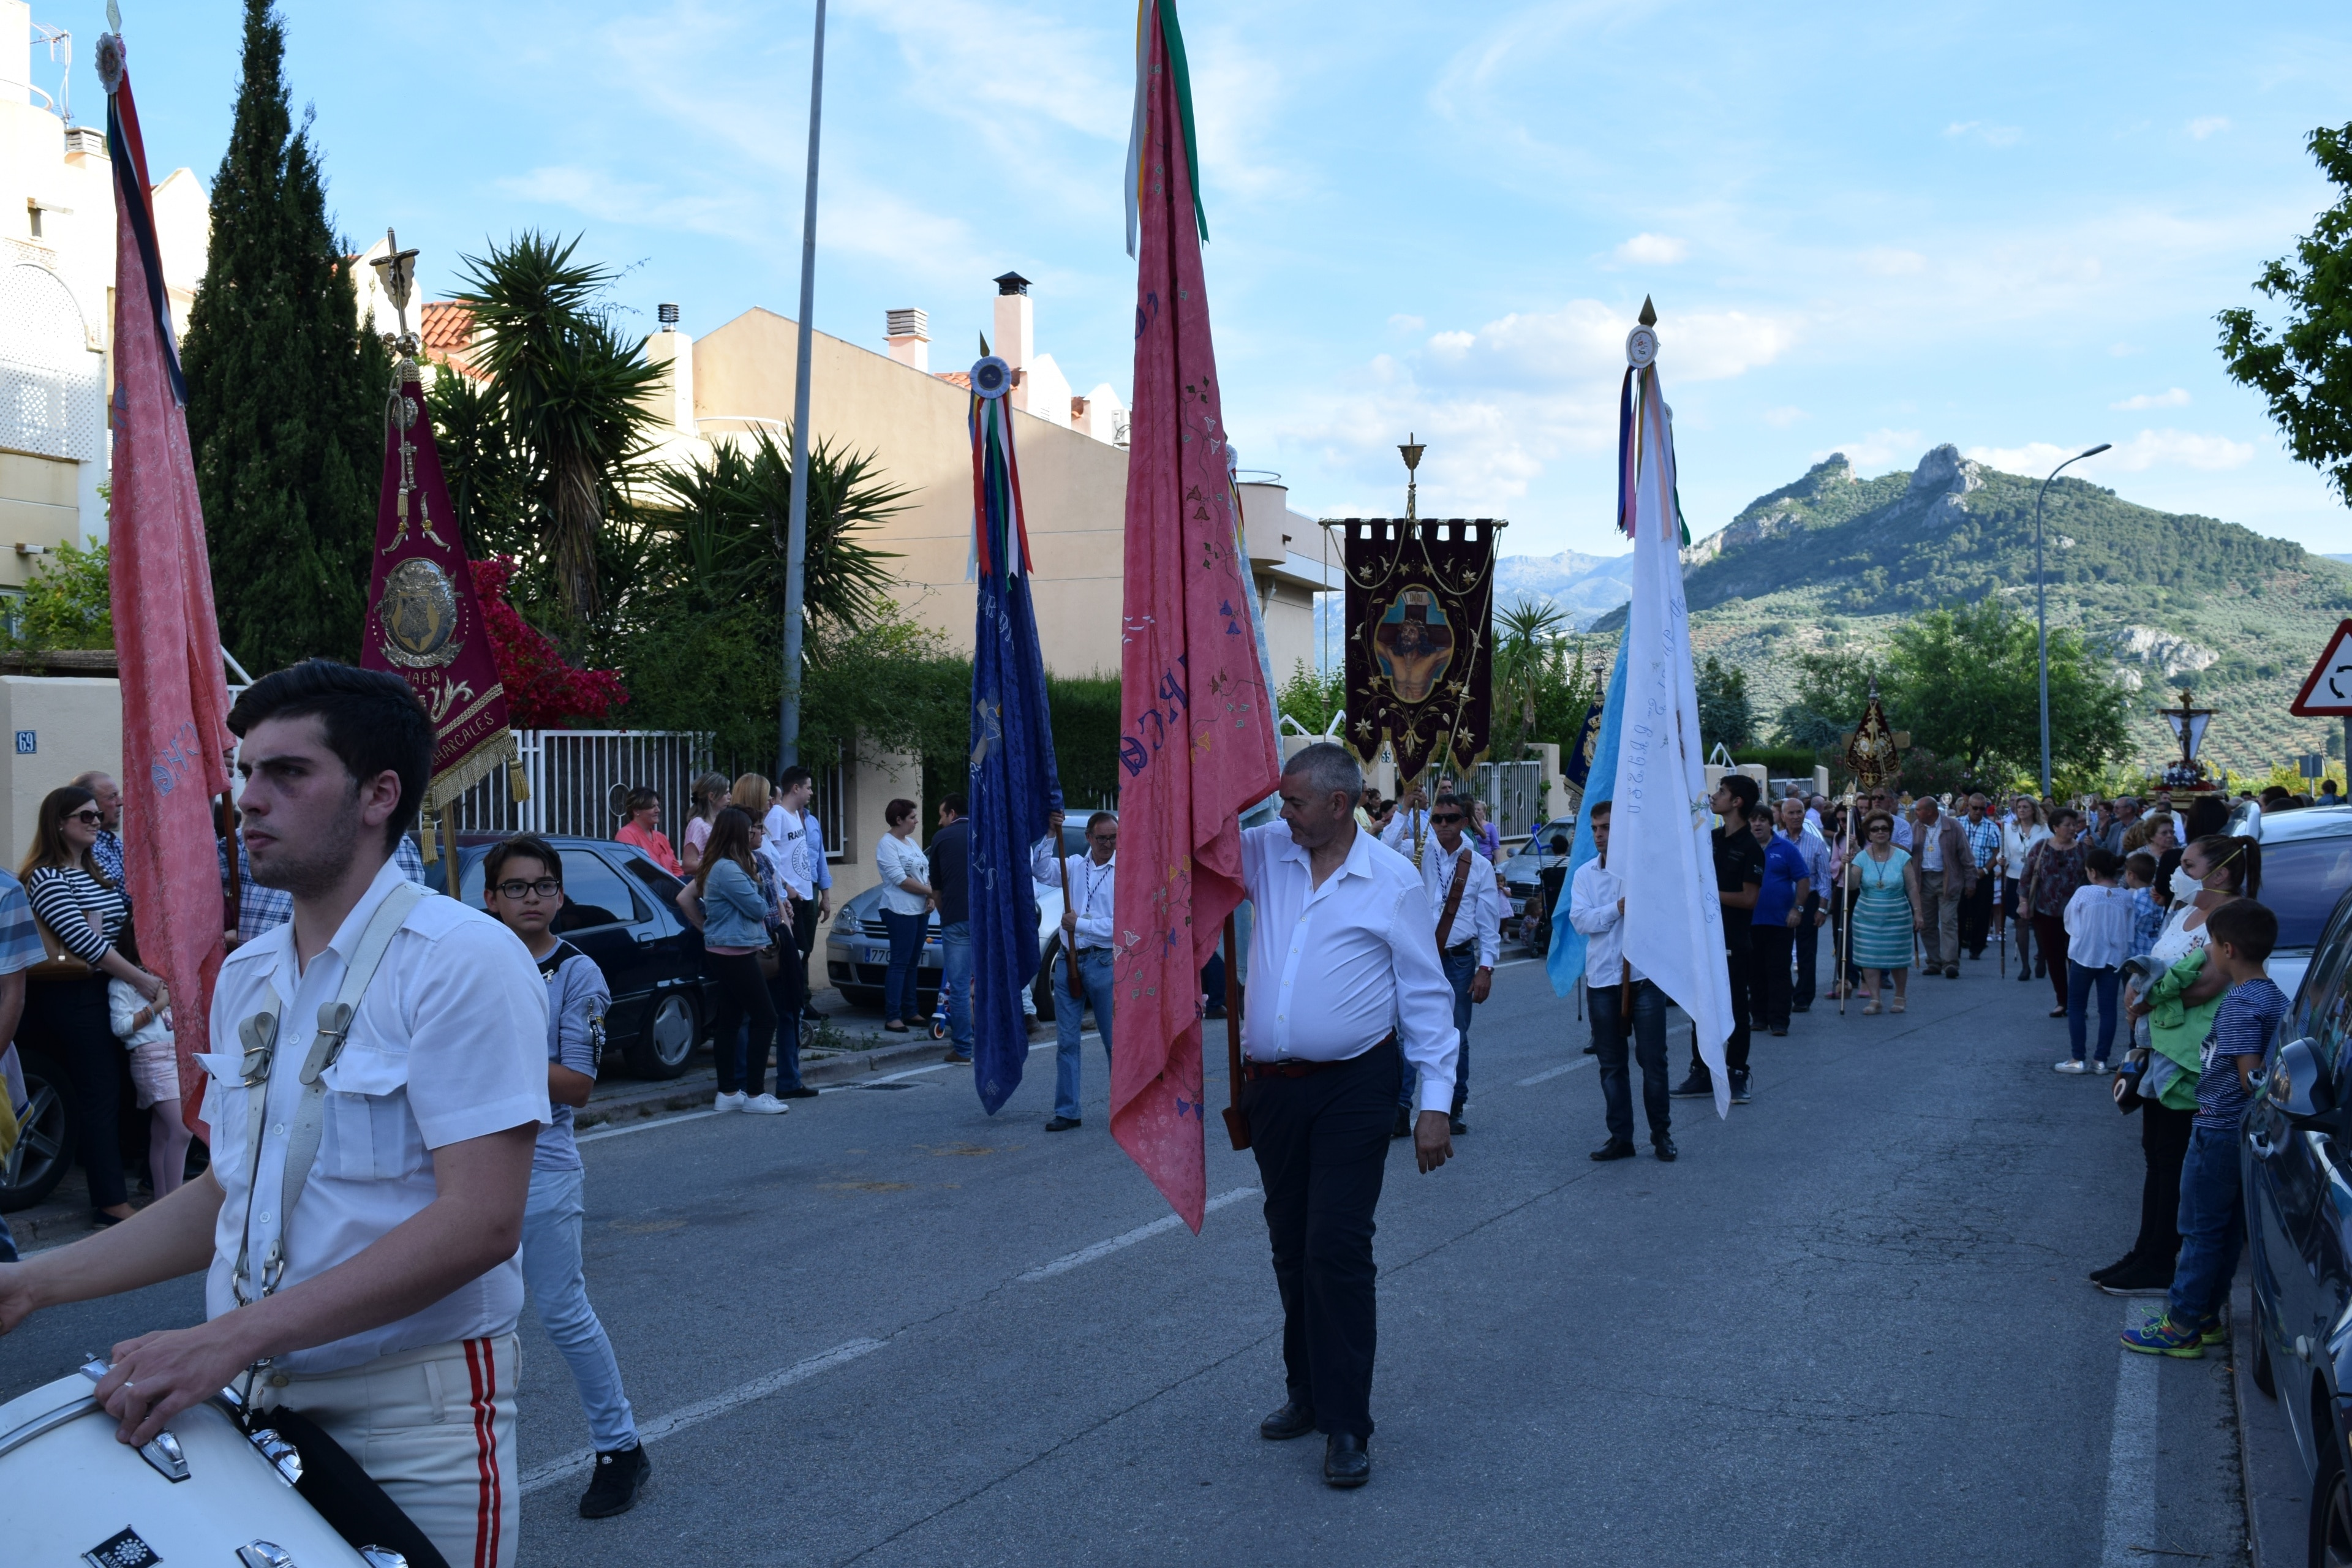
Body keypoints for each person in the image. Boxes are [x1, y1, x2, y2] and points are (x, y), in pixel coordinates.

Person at [0, 660, 551, 1567]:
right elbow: (231, 1192)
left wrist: (223, 1339)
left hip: (414, 1423)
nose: (249, 799)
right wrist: (35, 1282)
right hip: (254, 1404)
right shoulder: (251, 975)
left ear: (380, 794)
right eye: (246, 772)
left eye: (287, 773)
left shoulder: (466, 959)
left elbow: (481, 1222)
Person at [1237, 744, 1455, 1490]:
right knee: (1291, 1246)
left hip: (1356, 1085)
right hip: (1273, 1090)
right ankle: (1306, 1388)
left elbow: (1427, 996)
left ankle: (1348, 1423)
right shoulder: (1267, 852)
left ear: (1340, 804)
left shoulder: (1391, 879)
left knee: (1336, 1246)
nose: (1282, 814)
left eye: (1294, 803)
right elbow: (1193, 845)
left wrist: (1433, 1104)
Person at [480, 834, 652, 1518]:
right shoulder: (470, 962)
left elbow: (577, 1085)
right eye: (516, 887)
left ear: (560, 894)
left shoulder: (578, 974)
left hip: (542, 1165)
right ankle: (464, 1458)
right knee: (463, 1318)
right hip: (464, 1165)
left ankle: (621, 1448)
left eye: (544, 886)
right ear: (489, 897)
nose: (532, 898)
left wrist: (490, 1048)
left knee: (561, 1311)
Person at [2121, 899, 2287, 1357]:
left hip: (2219, 1127)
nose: (2208, 952)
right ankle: (2208, 1314)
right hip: (2244, 1134)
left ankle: (2181, 1323)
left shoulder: (2238, 1003)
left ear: (2227, 949)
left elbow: (2249, 1076)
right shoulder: (2274, 997)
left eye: (2211, 944)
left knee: (2199, 1227)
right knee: (2227, 1228)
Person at [20, 785, 165, 1225]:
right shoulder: (46, 876)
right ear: (58, 823)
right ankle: (108, 1201)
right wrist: (142, 980)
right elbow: (84, 942)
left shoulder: (97, 871)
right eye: (84, 817)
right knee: (98, 1095)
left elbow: (124, 924)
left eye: (96, 817)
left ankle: (121, 1187)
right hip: (71, 994)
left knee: (114, 1090)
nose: (95, 822)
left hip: (107, 990)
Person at [1573, 802, 1674, 1161]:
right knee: (1611, 1064)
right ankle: (1621, 1137)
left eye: (1607, 828)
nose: (1600, 834)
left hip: (1644, 977)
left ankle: (1661, 1133)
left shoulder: (1643, 870)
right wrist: (1616, 909)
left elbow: (1665, 913)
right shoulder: (1585, 874)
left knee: (1653, 1060)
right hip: (1603, 979)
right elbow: (1581, 920)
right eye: (1596, 828)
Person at [678, 807, 789, 1114]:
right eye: (751, 830)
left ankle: (728, 1092)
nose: (757, 833)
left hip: (729, 950)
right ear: (738, 834)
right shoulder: (728, 869)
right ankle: (755, 1094)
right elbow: (756, 908)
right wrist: (757, 878)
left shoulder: (721, 865)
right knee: (766, 1018)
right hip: (734, 952)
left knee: (730, 1021)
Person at [1673, 775, 1763, 1103]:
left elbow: (1748, 899)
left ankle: (1737, 1072)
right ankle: (1702, 1071)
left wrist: (1709, 894)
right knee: (1701, 1009)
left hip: (1734, 942)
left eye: (1722, 792)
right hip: (1704, 939)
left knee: (1736, 1009)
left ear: (1737, 801)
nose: (1715, 796)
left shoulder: (1751, 847)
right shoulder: (1709, 838)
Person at [1033, 809, 1118, 1131]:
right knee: (1067, 1041)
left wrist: (1079, 924)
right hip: (1070, 963)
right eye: (1102, 838)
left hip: (1103, 962)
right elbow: (1040, 870)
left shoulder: (1123, 871)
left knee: (1113, 1042)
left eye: (1113, 838)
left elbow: (1122, 925)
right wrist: (1051, 833)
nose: (1108, 844)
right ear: (1089, 838)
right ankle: (1068, 1110)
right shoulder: (1074, 866)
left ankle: (1121, 1108)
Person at [1417, 793, 1497, 1136]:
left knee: (1455, 1036)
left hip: (1459, 960)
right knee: (1408, 1033)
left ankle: (1454, 1105)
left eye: (1451, 819)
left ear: (1464, 822)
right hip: (1420, 957)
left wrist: (1486, 968)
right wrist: (1408, 809)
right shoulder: (1419, 852)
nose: (1443, 825)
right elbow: (1386, 848)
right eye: (1437, 819)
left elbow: (1489, 924)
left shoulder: (1479, 866)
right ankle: (1402, 1106)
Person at [108, 968, 189, 1204]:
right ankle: (173, 1204)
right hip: (151, 1059)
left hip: (176, 1056)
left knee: (162, 1133)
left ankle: (162, 1202)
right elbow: (120, 1026)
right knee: (182, 1130)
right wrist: (158, 1005)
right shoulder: (122, 983)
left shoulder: (164, 977)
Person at [2057, 848, 2133, 1074]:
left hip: (2085, 954)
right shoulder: (2126, 897)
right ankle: (2101, 1060)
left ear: (2092, 871)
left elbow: (2070, 922)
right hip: (2113, 957)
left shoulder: (2084, 893)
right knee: (2108, 1009)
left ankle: (2077, 1058)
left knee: (2077, 1006)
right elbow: (2129, 931)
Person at [766, 766, 832, 1025]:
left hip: (805, 895)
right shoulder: (778, 815)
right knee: (792, 954)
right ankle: (789, 1008)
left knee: (803, 951)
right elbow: (767, 856)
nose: (811, 793)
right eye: (808, 787)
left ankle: (798, 1006)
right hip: (790, 898)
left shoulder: (799, 818)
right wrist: (786, 888)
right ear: (796, 788)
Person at [1847, 810, 1921, 1014]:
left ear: (1890, 832)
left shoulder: (1902, 857)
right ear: (1868, 834)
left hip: (1897, 914)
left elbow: (1912, 887)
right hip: (1867, 916)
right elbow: (1852, 886)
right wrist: (1847, 866)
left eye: (1885, 829)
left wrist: (1918, 913)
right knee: (1869, 958)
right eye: (1875, 829)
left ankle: (1900, 996)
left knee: (1897, 957)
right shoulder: (1861, 857)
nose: (1880, 832)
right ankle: (1875, 999)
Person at [2023, 808, 2092, 1018]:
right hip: (2046, 912)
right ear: (2055, 828)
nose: (2073, 828)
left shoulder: (2083, 850)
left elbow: (2093, 880)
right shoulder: (2041, 847)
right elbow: (2027, 877)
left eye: (2075, 824)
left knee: (2077, 959)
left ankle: (2078, 1003)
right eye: (2068, 825)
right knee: (2054, 957)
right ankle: (2062, 1001)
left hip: (2078, 913)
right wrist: (2023, 903)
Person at [873, 799, 934, 1035]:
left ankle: (911, 1010)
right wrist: (932, 892)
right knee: (900, 963)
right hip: (898, 910)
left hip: (919, 910)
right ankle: (893, 1016)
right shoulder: (887, 844)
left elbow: (923, 872)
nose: (916, 821)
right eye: (912, 818)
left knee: (912, 962)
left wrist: (929, 896)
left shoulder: (911, 843)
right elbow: (900, 879)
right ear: (899, 820)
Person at [1747, 812, 1807, 1037]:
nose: (1757, 824)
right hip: (1750, 922)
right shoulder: (1745, 848)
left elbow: (1803, 878)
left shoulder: (1786, 848)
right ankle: (1759, 1018)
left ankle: (1779, 1021)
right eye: (1753, 820)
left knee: (1778, 972)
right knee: (1754, 973)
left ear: (1771, 824)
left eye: (1762, 820)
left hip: (1780, 922)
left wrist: (1797, 908)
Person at [927, 796, 973, 1065]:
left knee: (958, 988)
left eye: (942, 815)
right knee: (990, 985)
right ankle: (994, 1046)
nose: (939, 821)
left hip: (956, 918)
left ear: (953, 813)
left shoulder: (942, 839)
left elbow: (937, 888)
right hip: (987, 922)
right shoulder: (988, 833)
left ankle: (963, 1050)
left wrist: (949, 915)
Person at [1775, 796, 1831, 1014]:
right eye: (1791, 813)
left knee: (1807, 952)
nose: (1796, 816)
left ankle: (1804, 997)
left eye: (1800, 812)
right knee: (1781, 951)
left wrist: (1822, 908)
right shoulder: (1776, 841)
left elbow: (1825, 878)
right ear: (1783, 817)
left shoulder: (1816, 843)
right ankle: (1785, 991)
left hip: (1809, 900)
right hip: (1782, 901)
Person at [1911, 795, 1976, 979]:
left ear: (1930, 811)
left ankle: (1950, 963)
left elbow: (1966, 854)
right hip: (1923, 881)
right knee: (1927, 925)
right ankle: (1934, 962)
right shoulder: (1916, 827)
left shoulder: (1952, 826)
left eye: (1918, 810)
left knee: (1948, 922)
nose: (1916, 814)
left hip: (1948, 880)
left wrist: (1971, 881)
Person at [1999, 795, 2048, 976]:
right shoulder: (2009, 829)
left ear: (2033, 810)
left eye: (2026, 807)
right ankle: (2025, 966)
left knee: (2038, 922)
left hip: (2038, 880)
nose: (2021, 810)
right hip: (2015, 877)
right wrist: (2001, 860)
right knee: (2020, 921)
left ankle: (2042, 957)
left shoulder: (2044, 830)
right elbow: (2002, 851)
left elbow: (2049, 851)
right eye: (2019, 807)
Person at [1958, 794, 2002, 959]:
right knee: (1959, 911)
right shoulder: (1958, 823)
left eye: (1982, 809)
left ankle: (1977, 948)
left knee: (1982, 913)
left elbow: (1997, 853)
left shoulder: (1992, 827)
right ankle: (1957, 945)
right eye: (1975, 808)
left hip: (1984, 873)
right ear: (1968, 806)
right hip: (1961, 874)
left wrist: (1984, 871)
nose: (1978, 811)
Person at [74, 769, 126, 891]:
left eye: (118, 795)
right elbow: (126, 893)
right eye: (112, 797)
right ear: (90, 804)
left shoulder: (111, 841)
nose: (121, 802)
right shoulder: (88, 847)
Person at [614, 786, 680, 876]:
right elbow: (634, 872)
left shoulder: (661, 837)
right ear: (636, 811)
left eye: (657, 806)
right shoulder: (626, 835)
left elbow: (677, 871)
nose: (658, 810)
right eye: (652, 807)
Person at [679, 769, 731, 878]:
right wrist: (723, 865)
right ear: (711, 796)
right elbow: (688, 865)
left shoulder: (720, 821)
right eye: (726, 793)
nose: (730, 796)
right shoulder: (698, 824)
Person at [1379, 783, 1431, 862]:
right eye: (1438, 819)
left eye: (1451, 818)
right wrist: (1406, 807)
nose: (1444, 823)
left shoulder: (1432, 844)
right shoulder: (1416, 847)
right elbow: (1389, 849)